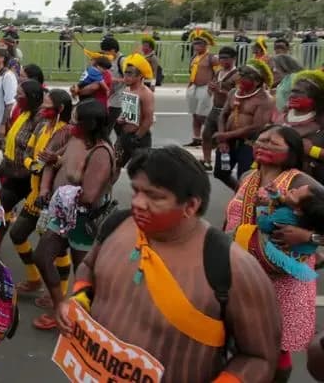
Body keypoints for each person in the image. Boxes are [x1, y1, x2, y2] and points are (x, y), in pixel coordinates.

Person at [54, 146, 281, 382]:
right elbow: (88, 267)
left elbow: (259, 358)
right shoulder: (117, 225)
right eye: (136, 191)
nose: (138, 203)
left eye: (155, 196)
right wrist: (79, 299)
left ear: (190, 206)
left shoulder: (234, 267)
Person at [224, 126, 324, 381]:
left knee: (276, 345)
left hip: (283, 279)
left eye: (272, 142)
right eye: (261, 140)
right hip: (244, 271)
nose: (263, 145)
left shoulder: (303, 184)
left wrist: (309, 238)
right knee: (244, 340)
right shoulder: (248, 175)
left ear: (290, 152)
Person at [32, 99, 115, 330]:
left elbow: (88, 196)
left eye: (77, 120)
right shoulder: (75, 139)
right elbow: (53, 160)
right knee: (42, 256)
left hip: (83, 220)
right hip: (65, 214)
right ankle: (60, 306)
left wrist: (66, 189)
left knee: (83, 274)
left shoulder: (100, 151)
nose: (72, 124)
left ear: (89, 125)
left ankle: (85, 320)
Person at [10, 88, 73, 294]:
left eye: (47, 107)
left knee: (57, 248)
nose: (43, 110)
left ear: (60, 109)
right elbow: (28, 153)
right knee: (18, 234)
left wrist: (48, 164)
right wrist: (36, 166)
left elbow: (63, 165)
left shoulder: (66, 133)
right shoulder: (41, 127)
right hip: (34, 195)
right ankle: (34, 278)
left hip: (54, 199)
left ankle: (60, 293)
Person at [0, 80, 44, 248]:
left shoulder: (41, 121)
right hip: (15, 176)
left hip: (30, 180)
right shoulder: (24, 113)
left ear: (31, 98)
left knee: (26, 232)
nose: (15, 97)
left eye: (19, 95)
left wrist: (33, 172)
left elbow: (41, 159)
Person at [214, 60, 274, 191]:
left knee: (245, 176)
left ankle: (243, 197)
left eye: (245, 76)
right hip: (227, 141)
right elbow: (223, 115)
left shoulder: (265, 99)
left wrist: (226, 135)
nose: (239, 78)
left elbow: (257, 126)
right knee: (220, 172)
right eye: (240, 75)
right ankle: (239, 192)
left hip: (249, 143)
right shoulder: (233, 93)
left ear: (257, 81)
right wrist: (223, 138)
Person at [200, 46, 239, 171]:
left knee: (224, 139)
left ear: (234, 59)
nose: (222, 61)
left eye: (226, 58)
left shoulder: (237, 75)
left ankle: (225, 163)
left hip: (228, 112)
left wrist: (220, 91)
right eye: (220, 58)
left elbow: (237, 96)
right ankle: (207, 161)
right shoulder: (218, 72)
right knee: (206, 134)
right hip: (215, 108)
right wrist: (211, 88)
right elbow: (213, 87)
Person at [282, 70, 324, 184]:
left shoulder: (321, 122)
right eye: (292, 91)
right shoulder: (281, 117)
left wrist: (312, 150)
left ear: (315, 97)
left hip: (313, 183)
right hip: (279, 181)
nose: (292, 95)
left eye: (299, 92)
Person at [115, 53, 154, 170]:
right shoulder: (127, 90)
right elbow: (126, 111)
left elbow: (148, 119)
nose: (126, 77)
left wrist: (137, 137)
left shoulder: (146, 94)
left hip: (139, 138)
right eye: (125, 73)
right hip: (124, 136)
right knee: (114, 165)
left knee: (141, 171)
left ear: (140, 76)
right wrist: (120, 119)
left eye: (130, 74)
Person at [185, 28, 217, 148]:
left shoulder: (211, 58)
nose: (196, 46)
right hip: (194, 87)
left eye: (199, 43)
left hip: (205, 88)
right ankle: (196, 138)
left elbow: (219, 72)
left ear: (205, 45)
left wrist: (212, 85)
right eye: (195, 43)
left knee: (202, 115)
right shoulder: (194, 57)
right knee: (194, 114)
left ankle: (212, 137)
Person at [100, 37, 124, 136]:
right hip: (109, 98)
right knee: (119, 130)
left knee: (105, 130)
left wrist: (112, 80)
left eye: (106, 52)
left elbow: (129, 79)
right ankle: (122, 149)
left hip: (118, 100)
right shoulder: (110, 60)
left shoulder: (122, 61)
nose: (104, 54)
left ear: (113, 50)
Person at [272, 54, 303, 120]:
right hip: (282, 113)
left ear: (284, 66)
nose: (274, 70)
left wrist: (288, 105)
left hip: (289, 113)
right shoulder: (286, 78)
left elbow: (298, 94)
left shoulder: (294, 77)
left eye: (276, 67)